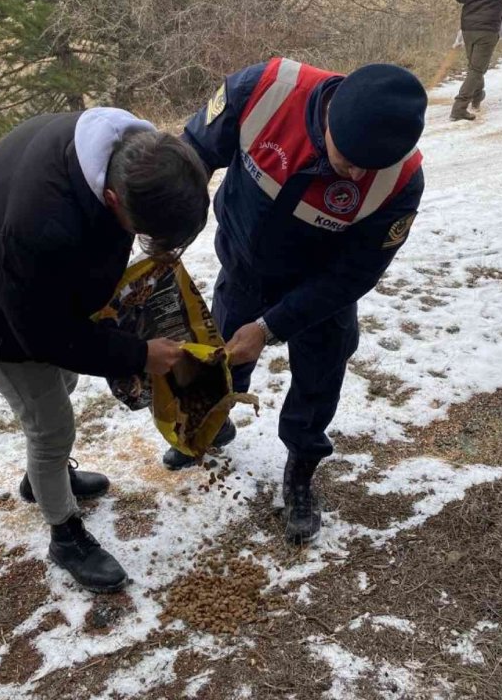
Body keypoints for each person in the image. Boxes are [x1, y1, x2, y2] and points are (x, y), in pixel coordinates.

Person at [0, 108, 209, 592]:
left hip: (36, 291)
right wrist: (137, 354)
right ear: (111, 198)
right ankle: (65, 536)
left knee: (63, 379)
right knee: (50, 424)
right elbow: (44, 338)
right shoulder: (35, 224)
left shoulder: (127, 152)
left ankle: (41, 480)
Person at [162, 58, 426, 545]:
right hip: (242, 268)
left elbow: (356, 272)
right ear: (330, 117)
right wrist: (167, 227)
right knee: (218, 358)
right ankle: (211, 427)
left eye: (371, 167)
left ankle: (301, 471)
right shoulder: (262, 89)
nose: (357, 172)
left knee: (318, 382)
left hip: (320, 294)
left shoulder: (400, 180)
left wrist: (270, 328)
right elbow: (193, 153)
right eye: (349, 159)